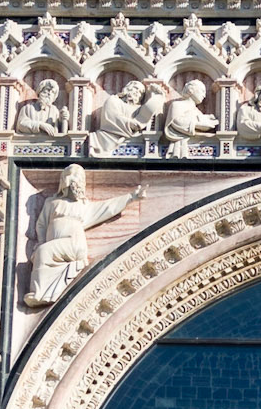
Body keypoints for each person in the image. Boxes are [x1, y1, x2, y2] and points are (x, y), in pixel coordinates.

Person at [25, 166, 138, 308]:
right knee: (42, 251)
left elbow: (107, 207)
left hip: (74, 245)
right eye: (71, 177)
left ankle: (39, 293)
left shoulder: (83, 206)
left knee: (43, 252)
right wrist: (40, 241)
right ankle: (44, 292)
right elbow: (41, 225)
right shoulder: (51, 203)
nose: (75, 182)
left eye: (78, 179)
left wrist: (131, 197)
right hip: (55, 245)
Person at [165, 78, 218, 153]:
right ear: (191, 90)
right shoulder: (177, 105)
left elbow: (201, 120)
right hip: (182, 141)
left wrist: (209, 120)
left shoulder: (197, 111)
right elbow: (175, 121)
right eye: (202, 91)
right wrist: (196, 125)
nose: (204, 95)